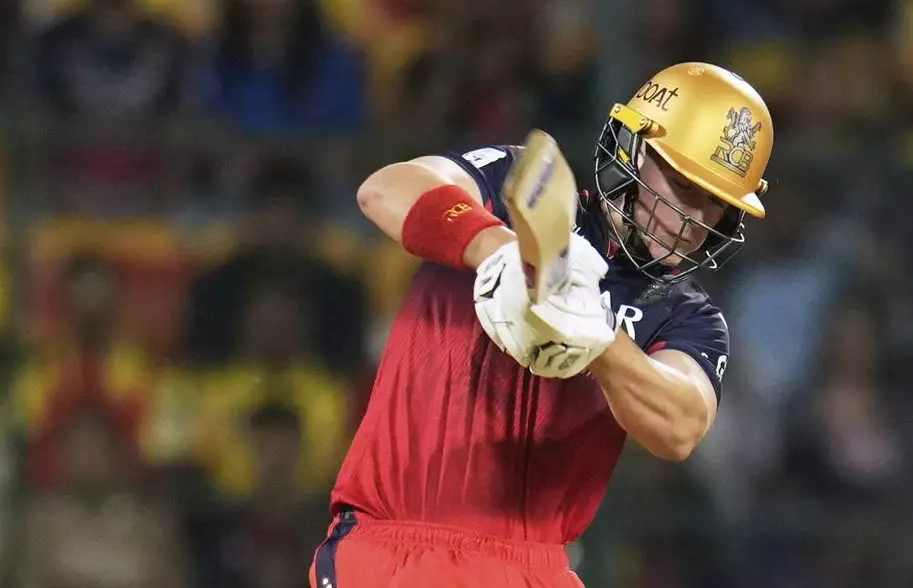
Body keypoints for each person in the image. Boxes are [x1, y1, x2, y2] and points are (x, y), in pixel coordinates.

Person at [313, 62, 774, 587]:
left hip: (537, 570)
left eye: (717, 205)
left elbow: (682, 426)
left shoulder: (689, 314)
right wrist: (502, 255)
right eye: (685, 187)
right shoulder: (519, 191)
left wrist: (594, 337)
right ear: (633, 150)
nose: (694, 222)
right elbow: (384, 189)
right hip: (395, 554)